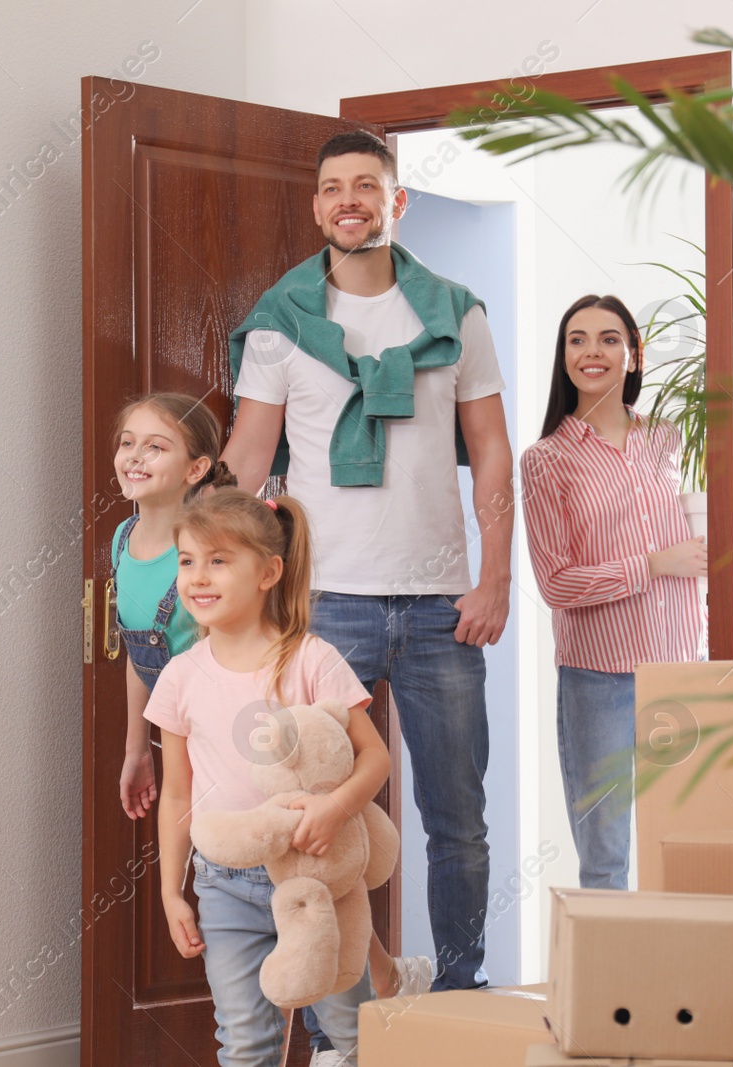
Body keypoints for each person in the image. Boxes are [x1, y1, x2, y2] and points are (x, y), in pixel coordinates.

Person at [220, 128, 513, 1012]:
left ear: (397, 201)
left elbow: (494, 452)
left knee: (457, 820)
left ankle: (461, 1001)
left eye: (367, 185)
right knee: (312, 810)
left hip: (439, 604)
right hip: (325, 603)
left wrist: (494, 578)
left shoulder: (457, 313)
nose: (349, 200)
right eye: (332, 188)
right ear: (317, 206)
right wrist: (199, 567)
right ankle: (349, 1000)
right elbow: (247, 457)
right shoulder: (279, 322)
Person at [147, 488, 390, 1067]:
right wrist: (169, 890)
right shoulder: (179, 678)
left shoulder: (310, 659)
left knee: (349, 1037)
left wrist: (335, 811)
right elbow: (177, 794)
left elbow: (374, 756)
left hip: (316, 876)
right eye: (187, 561)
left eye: (218, 560)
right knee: (246, 1043)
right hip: (224, 885)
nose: (197, 578)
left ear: (269, 572)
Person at [519, 295, 706, 890]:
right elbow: (556, 584)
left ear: (632, 353)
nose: (591, 351)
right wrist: (653, 564)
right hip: (597, 679)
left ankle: (680, 979)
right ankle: (612, 984)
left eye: (607, 338)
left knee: (687, 845)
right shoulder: (546, 461)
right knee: (606, 859)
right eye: (577, 339)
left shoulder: (670, 441)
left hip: (681, 670)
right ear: (563, 356)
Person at [109, 392, 232, 821]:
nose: (135, 457)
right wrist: (137, 750)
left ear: (196, 469)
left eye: (155, 447)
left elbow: (237, 665)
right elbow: (141, 652)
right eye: (127, 443)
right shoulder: (123, 537)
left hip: (229, 742)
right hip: (180, 741)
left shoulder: (211, 553)